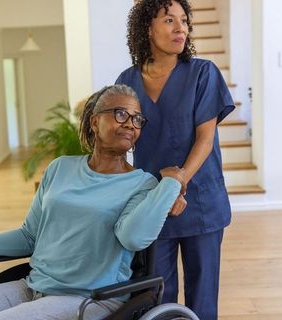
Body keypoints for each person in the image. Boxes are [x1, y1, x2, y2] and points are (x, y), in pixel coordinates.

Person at [0, 84, 186, 320]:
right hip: (33, 286)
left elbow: (134, 237)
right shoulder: (60, 168)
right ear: (95, 122)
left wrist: (172, 182)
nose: (130, 124)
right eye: (120, 114)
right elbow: (30, 236)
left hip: (89, 299)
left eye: (137, 119)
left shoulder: (142, 184)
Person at [115, 1, 235, 319]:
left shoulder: (203, 73)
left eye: (184, 20)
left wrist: (177, 181)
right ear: (147, 28)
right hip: (152, 206)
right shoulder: (127, 82)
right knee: (157, 296)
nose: (180, 27)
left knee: (202, 299)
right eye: (169, 20)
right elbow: (119, 142)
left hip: (200, 201)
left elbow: (205, 139)